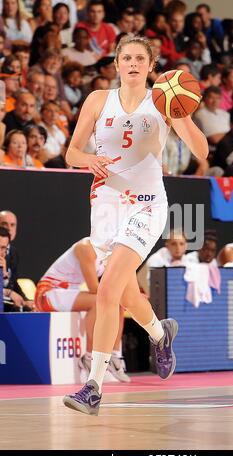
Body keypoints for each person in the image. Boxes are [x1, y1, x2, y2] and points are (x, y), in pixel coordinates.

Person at [62, 35, 208, 415]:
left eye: (139, 58)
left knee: (109, 288)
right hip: (105, 204)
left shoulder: (162, 102)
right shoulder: (98, 100)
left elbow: (202, 152)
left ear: (150, 65)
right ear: (116, 63)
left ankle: (93, 385)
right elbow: (71, 152)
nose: (131, 63)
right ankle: (161, 333)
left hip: (146, 205)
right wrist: (86, 161)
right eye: (125, 57)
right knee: (125, 294)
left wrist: (184, 115)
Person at [35, 237, 130, 382]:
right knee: (101, 302)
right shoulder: (85, 247)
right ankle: (90, 358)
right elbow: (94, 288)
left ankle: (114, 355)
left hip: (69, 291)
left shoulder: (110, 253)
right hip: (48, 292)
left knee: (118, 304)